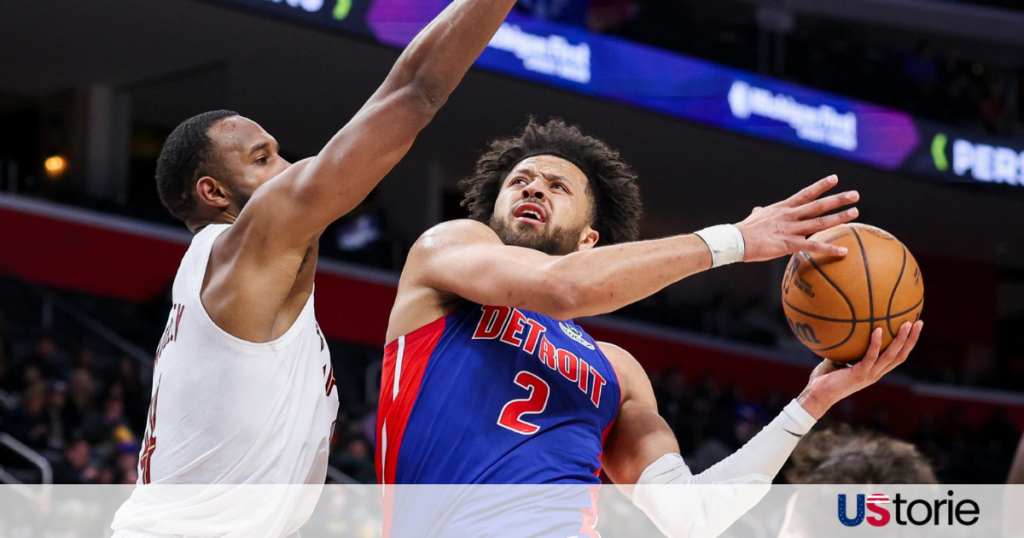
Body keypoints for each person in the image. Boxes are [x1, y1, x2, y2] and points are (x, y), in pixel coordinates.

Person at [377, 118, 923, 537]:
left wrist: (811, 402)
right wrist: (734, 240)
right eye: (519, 181)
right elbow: (565, 289)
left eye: (557, 186)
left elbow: (692, 514)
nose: (534, 189)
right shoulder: (445, 253)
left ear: (590, 239)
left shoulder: (615, 369)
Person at [111, 1, 521, 536]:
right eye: (262, 160)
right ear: (212, 193)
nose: (288, 170)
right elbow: (415, 91)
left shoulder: (243, 286)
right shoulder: (242, 248)